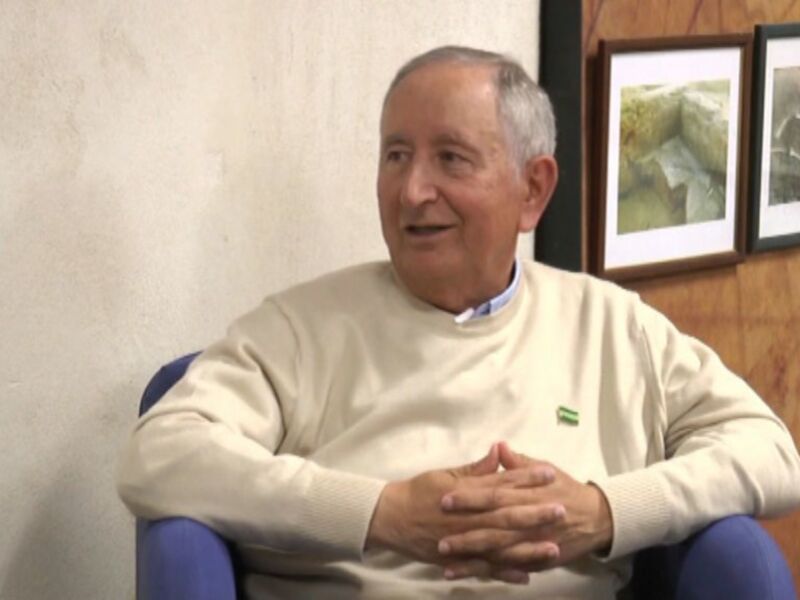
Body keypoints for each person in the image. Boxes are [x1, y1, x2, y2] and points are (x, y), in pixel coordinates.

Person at [117, 46, 800, 599]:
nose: (413, 191)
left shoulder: (613, 327)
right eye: (396, 155)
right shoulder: (299, 330)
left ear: (532, 189)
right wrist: (379, 514)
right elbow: (160, 455)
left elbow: (770, 453)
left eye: (450, 158)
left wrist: (604, 512)